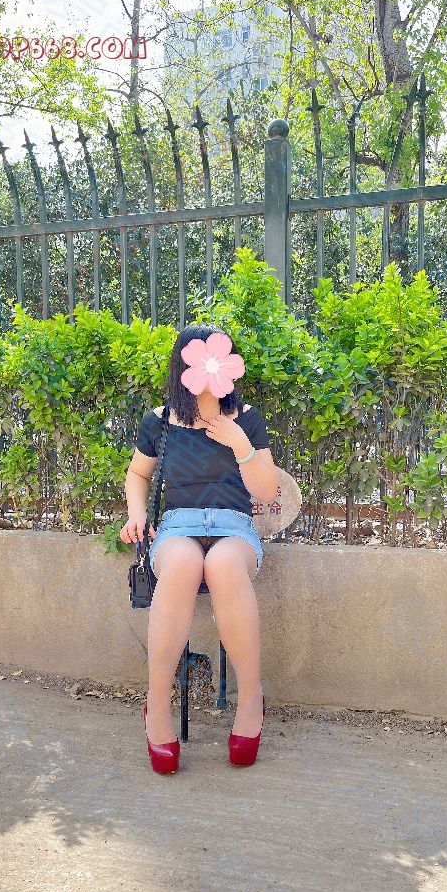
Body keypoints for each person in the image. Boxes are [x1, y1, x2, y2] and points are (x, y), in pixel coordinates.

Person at [120, 324, 280, 774]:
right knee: (183, 563)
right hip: (179, 525)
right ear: (184, 367)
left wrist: (240, 443)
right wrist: (136, 514)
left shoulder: (247, 418)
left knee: (225, 563)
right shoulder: (159, 421)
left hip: (234, 526)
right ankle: (157, 704)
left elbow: (267, 492)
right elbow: (138, 474)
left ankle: (250, 701)